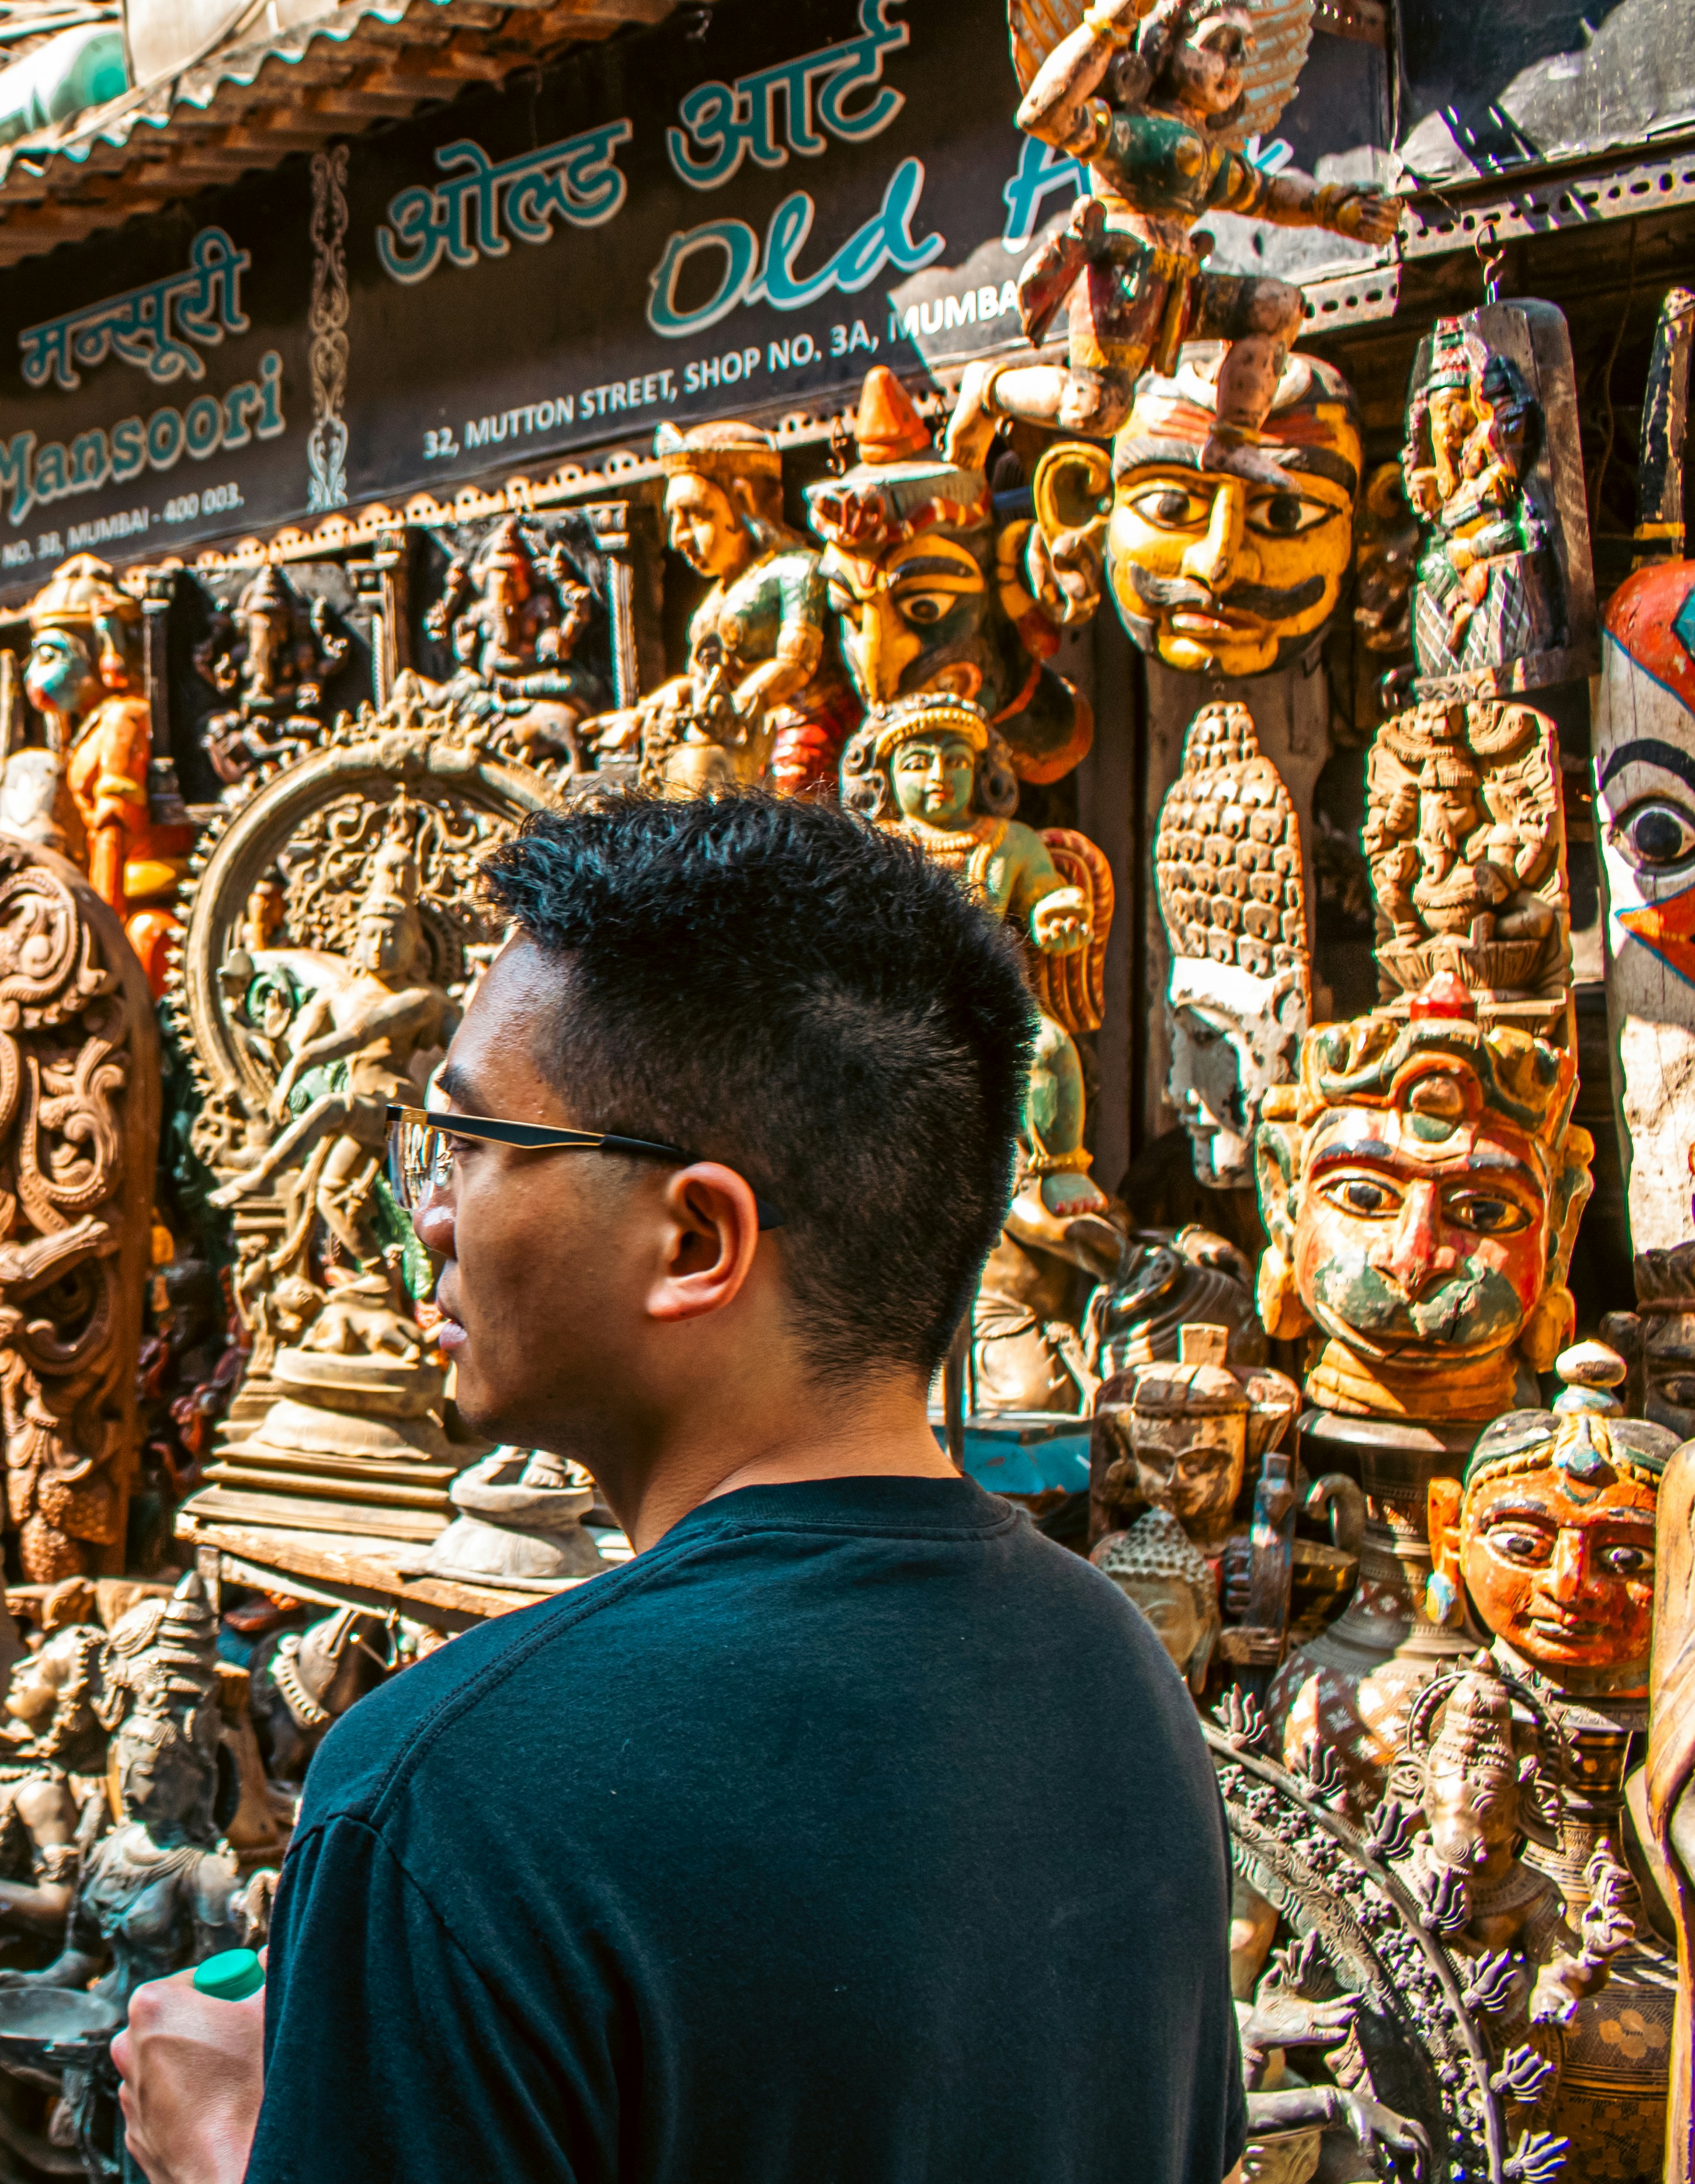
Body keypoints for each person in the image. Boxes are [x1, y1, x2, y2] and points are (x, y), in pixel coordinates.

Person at [114, 794, 1241, 2184]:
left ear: (694, 1236)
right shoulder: (1112, 1671)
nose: (425, 1211)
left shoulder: (447, 1800)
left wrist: (230, 2149)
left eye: (467, 1144)